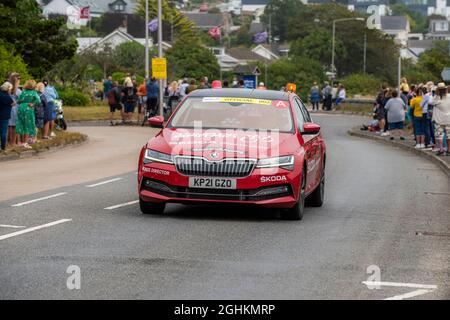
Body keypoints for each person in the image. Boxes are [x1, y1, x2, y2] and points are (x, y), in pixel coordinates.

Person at [16, 80, 40, 149]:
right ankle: (25, 143)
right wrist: (33, 103)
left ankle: (21, 141)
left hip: (21, 108)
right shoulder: (34, 92)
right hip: (28, 108)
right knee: (27, 125)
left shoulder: (23, 92)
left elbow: (19, 101)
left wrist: (23, 102)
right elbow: (38, 100)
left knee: (21, 124)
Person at [431, 83, 450, 156]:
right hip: (448, 119)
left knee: (439, 135)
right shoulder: (449, 96)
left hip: (439, 120)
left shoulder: (436, 98)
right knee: (449, 135)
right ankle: (448, 150)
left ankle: (441, 150)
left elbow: (430, 102)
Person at [0, 82, 14, 152]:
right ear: (8, 89)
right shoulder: (7, 96)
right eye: (10, 89)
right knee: (3, 132)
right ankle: (3, 147)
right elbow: (13, 103)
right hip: (4, 116)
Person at [8, 73, 21, 147]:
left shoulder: (7, 89)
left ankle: (9, 142)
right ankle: (13, 143)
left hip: (8, 109)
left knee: (9, 126)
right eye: (19, 78)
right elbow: (22, 99)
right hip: (16, 109)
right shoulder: (18, 91)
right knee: (15, 126)